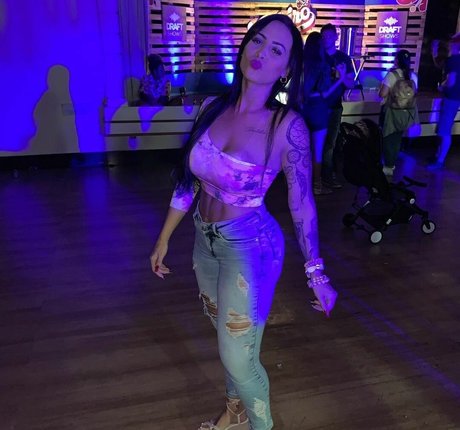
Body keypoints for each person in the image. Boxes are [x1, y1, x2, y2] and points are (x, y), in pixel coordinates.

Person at [149, 14, 338, 430]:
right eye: (257, 40)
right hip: (205, 240)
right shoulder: (212, 107)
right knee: (228, 340)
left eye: (276, 50)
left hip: (251, 246)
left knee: (238, 356)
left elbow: (302, 203)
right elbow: (189, 179)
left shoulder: (287, 127)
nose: (261, 52)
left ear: (286, 68)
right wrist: (164, 237)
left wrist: (316, 272)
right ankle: (235, 412)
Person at [302, 31, 347, 196]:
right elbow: (325, 93)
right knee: (318, 151)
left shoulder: (300, 64)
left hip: (302, 108)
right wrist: (341, 78)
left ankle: (299, 184)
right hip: (318, 109)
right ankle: (317, 186)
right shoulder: (322, 65)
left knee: (302, 150)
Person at [320, 24, 355, 189]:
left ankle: (327, 175)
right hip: (317, 107)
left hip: (334, 106)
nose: (326, 39)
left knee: (330, 143)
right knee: (315, 143)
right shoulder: (317, 56)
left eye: (329, 36)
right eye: (323, 36)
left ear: (335, 37)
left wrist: (341, 76)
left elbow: (350, 83)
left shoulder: (343, 58)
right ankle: (319, 176)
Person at [379, 49, 419, 176]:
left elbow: (383, 94)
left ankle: (388, 166)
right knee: (397, 139)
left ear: (396, 60)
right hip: (406, 113)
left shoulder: (392, 75)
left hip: (391, 113)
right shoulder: (413, 76)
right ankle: (392, 164)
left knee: (387, 139)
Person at [427, 33, 460, 170]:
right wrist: (434, 52)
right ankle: (437, 156)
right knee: (444, 129)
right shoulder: (454, 60)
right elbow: (441, 67)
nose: (449, 44)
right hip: (455, 98)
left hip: (450, 99)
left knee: (444, 131)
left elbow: (451, 81)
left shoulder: (454, 60)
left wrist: (442, 87)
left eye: (452, 42)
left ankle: (439, 161)